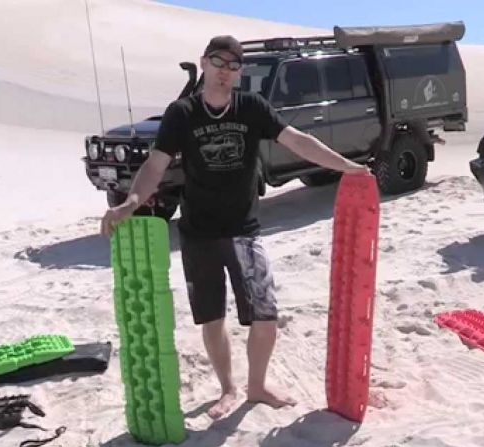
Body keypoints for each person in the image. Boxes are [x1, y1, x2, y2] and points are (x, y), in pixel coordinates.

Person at [100, 35, 370, 419]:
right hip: (198, 233)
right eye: (218, 62)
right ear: (203, 63)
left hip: (244, 230)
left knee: (266, 314)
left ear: (240, 72)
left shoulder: (251, 107)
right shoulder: (182, 113)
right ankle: (227, 388)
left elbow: (297, 141)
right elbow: (155, 165)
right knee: (212, 318)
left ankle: (257, 385)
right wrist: (131, 202)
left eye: (233, 65)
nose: (224, 71)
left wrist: (346, 166)